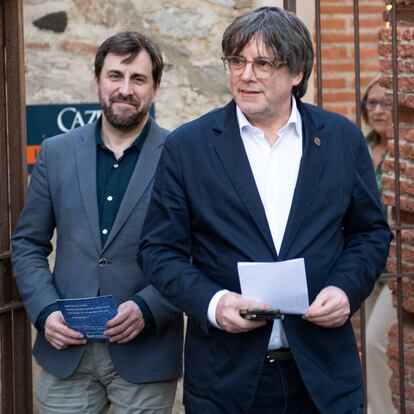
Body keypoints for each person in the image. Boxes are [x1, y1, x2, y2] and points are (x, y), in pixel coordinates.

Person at [138, 7, 392, 414]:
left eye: (262, 63)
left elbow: (371, 233)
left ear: (296, 73)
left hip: (324, 378)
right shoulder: (188, 147)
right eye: (236, 61)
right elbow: (157, 251)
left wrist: (346, 288)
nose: (245, 75)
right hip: (226, 379)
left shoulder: (341, 139)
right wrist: (214, 302)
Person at [11, 31, 183, 414]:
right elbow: (28, 245)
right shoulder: (55, 153)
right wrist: (44, 311)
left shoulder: (182, 155)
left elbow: (198, 252)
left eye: (138, 79)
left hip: (146, 353)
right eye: (115, 76)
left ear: (155, 88)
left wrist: (148, 307)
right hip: (65, 352)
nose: (125, 89)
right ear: (98, 80)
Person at [362, 77, 397, 414]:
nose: (377, 110)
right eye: (371, 103)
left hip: (396, 263)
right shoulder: (363, 147)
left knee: (375, 340)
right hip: (366, 260)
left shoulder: (404, 150)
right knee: (368, 341)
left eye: (384, 103)